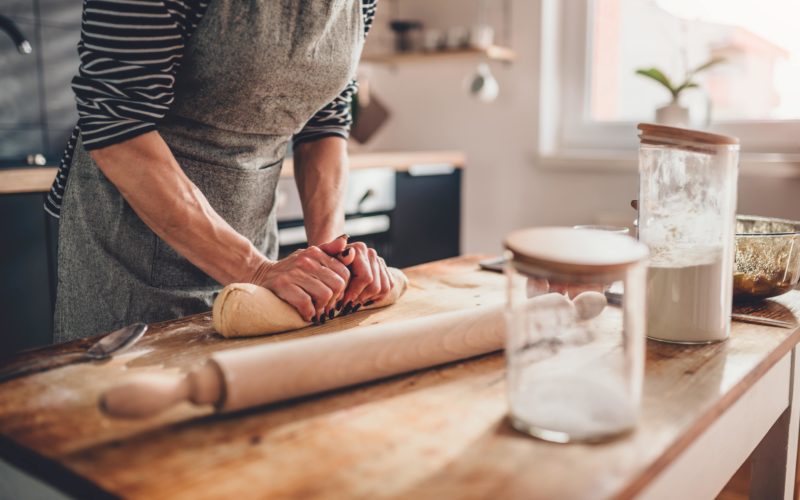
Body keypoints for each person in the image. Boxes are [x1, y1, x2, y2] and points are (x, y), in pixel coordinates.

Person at [46, 0, 391, 341]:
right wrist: (253, 269)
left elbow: (325, 122)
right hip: (130, 260)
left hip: (258, 255)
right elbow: (118, 126)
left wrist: (332, 259)